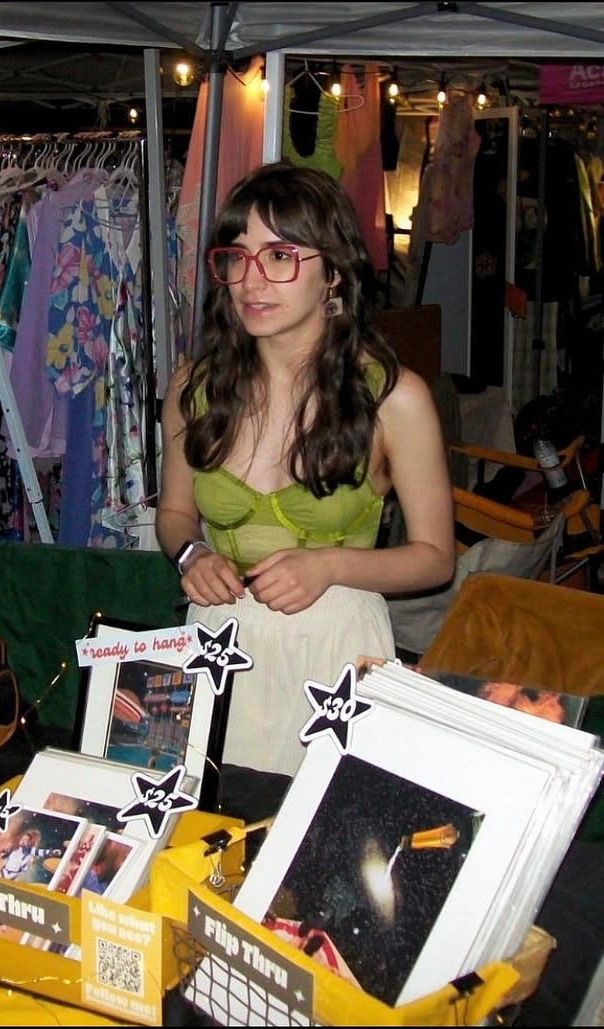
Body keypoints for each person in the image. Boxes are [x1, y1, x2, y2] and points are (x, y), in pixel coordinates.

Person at [155, 161, 455, 815]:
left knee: (317, 869)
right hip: (216, 650)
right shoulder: (194, 387)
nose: (251, 280)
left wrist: (329, 564)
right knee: (201, 854)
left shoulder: (394, 398)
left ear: (335, 274)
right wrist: (191, 555)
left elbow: (435, 555)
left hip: (336, 657)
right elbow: (175, 511)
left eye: (281, 255)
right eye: (237, 258)